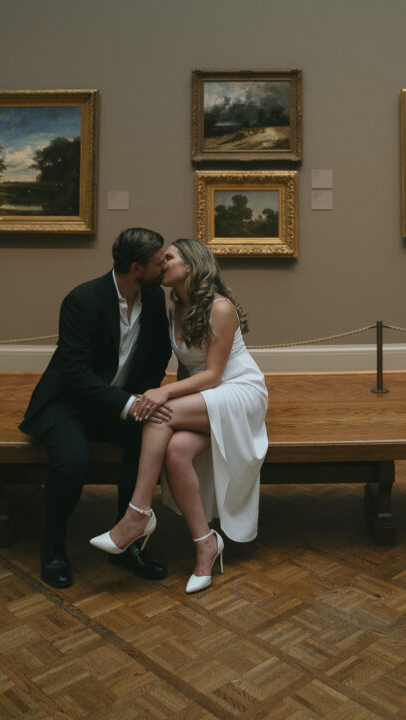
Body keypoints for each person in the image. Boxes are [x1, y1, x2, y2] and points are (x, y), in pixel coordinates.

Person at [90, 238, 268, 593]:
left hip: (239, 392)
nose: (162, 262)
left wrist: (163, 392)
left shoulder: (220, 308)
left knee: (160, 412)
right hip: (208, 398)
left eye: (168, 257)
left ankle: (138, 514)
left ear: (191, 265)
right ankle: (205, 543)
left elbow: (214, 374)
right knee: (176, 451)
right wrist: (170, 393)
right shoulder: (176, 307)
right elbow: (190, 372)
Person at [20, 227, 172, 589]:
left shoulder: (152, 298)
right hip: (67, 404)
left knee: (147, 441)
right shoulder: (83, 299)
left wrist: (144, 397)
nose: (164, 266)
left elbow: (158, 352)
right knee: (73, 462)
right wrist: (127, 403)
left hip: (115, 405)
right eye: (157, 262)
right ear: (136, 267)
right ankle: (53, 546)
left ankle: (126, 543)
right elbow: (74, 373)